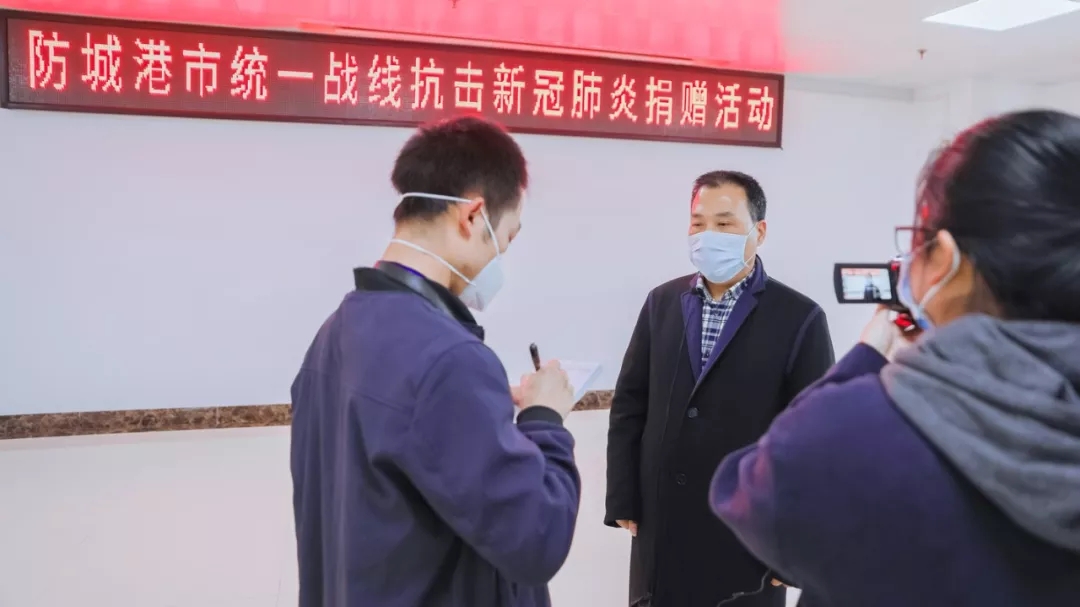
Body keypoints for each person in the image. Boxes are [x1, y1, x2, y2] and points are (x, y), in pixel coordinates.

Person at [710, 110, 1080, 606]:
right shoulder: (663, 301)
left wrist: (868, 356)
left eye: (918, 241)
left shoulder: (857, 431)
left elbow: (748, 492)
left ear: (945, 259)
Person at [290, 116, 582, 607]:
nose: (500, 260)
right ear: (473, 217)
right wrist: (544, 419)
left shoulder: (335, 332)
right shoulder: (449, 358)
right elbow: (536, 539)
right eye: (506, 240)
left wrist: (486, 419)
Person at [605, 170, 836, 606]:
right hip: (663, 526)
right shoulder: (661, 302)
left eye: (725, 223)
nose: (707, 235)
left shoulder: (799, 317)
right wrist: (623, 497)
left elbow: (815, 442)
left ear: (758, 232)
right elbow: (630, 404)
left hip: (747, 537)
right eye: (698, 223)